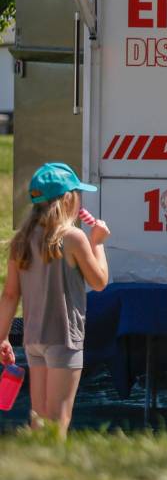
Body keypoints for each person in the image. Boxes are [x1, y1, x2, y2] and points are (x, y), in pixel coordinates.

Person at [0, 164, 107, 437]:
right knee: (59, 419)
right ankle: (51, 468)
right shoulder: (74, 238)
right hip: (64, 338)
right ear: (67, 199)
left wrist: (1, 338)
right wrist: (98, 243)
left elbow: (10, 295)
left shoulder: (21, 240)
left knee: (39, 416)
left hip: (33, 339)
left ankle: (36, 468)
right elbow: (99, 282)